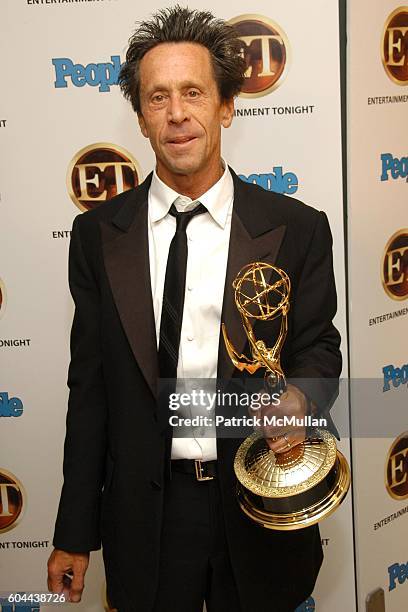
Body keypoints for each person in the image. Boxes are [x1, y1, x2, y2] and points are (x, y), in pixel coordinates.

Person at [47, 6, 342, 612]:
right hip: (146, 523)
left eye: (193, 93)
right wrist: (74, 533)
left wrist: (300, 397)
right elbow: (91, 389)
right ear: (140, 117)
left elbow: (319, 347)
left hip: (258, 505)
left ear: (226, 106)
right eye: (158, 98)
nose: (177, 113)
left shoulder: (296, 228)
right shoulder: (98, 236)